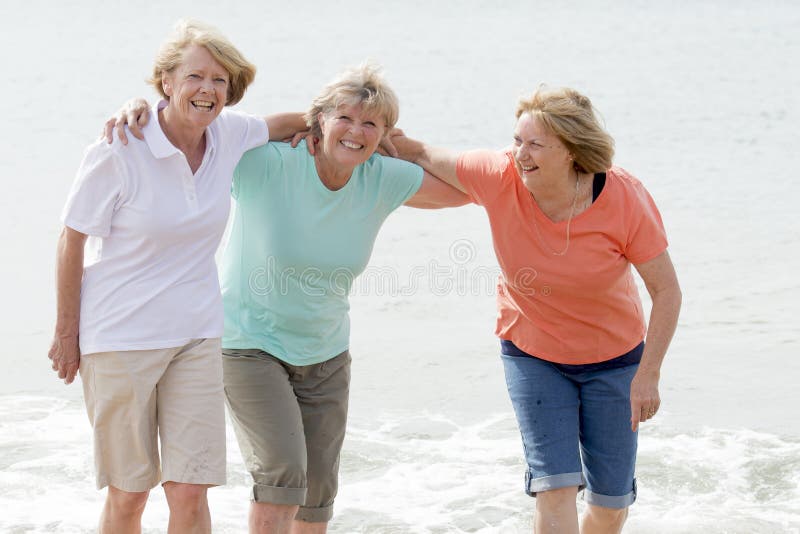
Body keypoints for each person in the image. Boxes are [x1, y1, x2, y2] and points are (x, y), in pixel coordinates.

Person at [107, 63, 468, 533]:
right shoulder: (267, 163)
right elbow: (193, 132)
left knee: (317, 497)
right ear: (317, 120)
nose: (356, 133)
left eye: (371, 124)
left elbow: (470, 191)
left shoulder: (381, 176)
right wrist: (145, 109)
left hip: (327, 354)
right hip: (248, 344)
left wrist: (415, 148)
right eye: (344, 118)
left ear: (385, 133)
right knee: (282, 478)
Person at [48, 19, 306, 533]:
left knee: (191, 489)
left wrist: (363, 126)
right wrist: (65, 332)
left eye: (220, 81)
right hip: (120, 339)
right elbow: (71, 238)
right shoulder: (120, 145)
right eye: (195, 77)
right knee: (130, 494)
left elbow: (291, 123)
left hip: (196, 336)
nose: (208, 90)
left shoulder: (229, 133)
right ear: (166, 81)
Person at [388, 86, 682, 534]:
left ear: (570, 151)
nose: (521, 154)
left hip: (616, 361)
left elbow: (667, 291)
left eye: (536, 144)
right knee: (554, 485)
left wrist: (649, 374)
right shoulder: (499, 174)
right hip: (534, 354)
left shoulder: (623, 197)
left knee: (610, 501)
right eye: (517, 140)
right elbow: (425, 154)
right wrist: (364, 141)